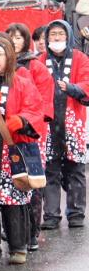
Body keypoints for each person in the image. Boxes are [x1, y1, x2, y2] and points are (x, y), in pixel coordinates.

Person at [0, 37, 44, 267]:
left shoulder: (21, 82)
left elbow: (35, 109)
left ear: (9, 57)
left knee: (13, 199)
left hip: (10, 149)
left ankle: (18, 246)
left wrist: (21, 120)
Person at [7, 23, 54, 250]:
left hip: (31, 134)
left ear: (26, 40)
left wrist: (26, 122)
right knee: (9, 183)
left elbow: (43, 103)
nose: (14, 41)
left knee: (32, 182)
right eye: (10, 37)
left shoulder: (35, 66)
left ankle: (32, 231)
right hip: (5, 134)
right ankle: (14, 231)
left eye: (18, 37)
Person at [38, 20, 89, 230]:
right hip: (48, 124)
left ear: (67, 36)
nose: (56, 38)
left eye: (60, 34)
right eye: (52, 35)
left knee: (75, 169)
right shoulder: (40, 60)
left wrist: (71, 88)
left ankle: (76, 212)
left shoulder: (80, 58)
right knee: (50, 170)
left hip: (73, 122)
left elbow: (87, 84)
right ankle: (51, 214)